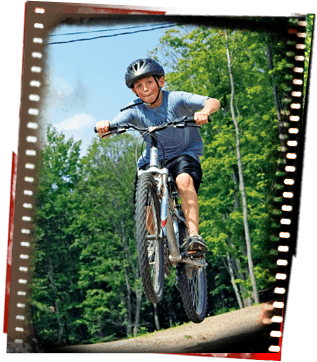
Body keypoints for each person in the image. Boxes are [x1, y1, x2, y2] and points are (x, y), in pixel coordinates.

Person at [96, 58, 220, 253]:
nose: (145, 89)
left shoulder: (176, 99)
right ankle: (154, 241)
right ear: (134, 91)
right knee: (142, 197)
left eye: (149, 82)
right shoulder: (134, 109)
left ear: (160, 82)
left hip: (183, 154)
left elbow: (213, 101)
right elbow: (112, 126)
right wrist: (105, 127)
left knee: (184, 181)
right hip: (152, 160)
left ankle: (194, 235)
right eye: (139, 85)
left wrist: (204, 112)